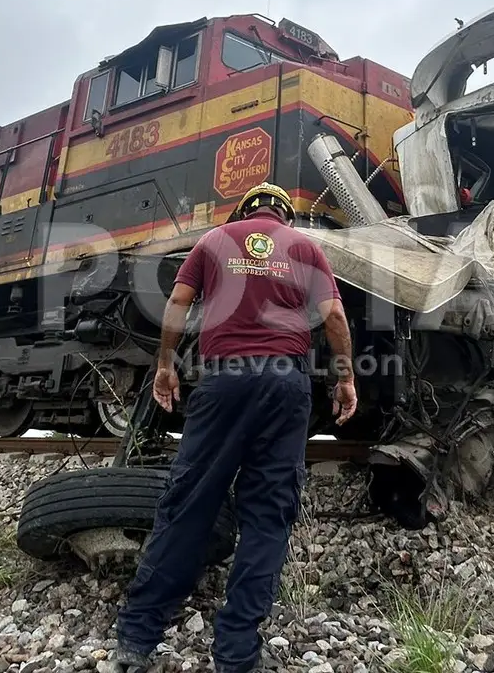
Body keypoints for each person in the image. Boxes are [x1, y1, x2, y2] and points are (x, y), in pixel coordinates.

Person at [108, 182, 357, 673]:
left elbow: (177, 305)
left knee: (189, 502)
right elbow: (334, 316)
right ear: (284, 216)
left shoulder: (214, 240)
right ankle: (237, 652)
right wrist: (345, 378)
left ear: (244, 211)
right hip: (287, 387)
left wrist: (165, 364)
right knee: (268, 515)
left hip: (225, 381)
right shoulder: (305, 247)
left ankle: (137, 638)